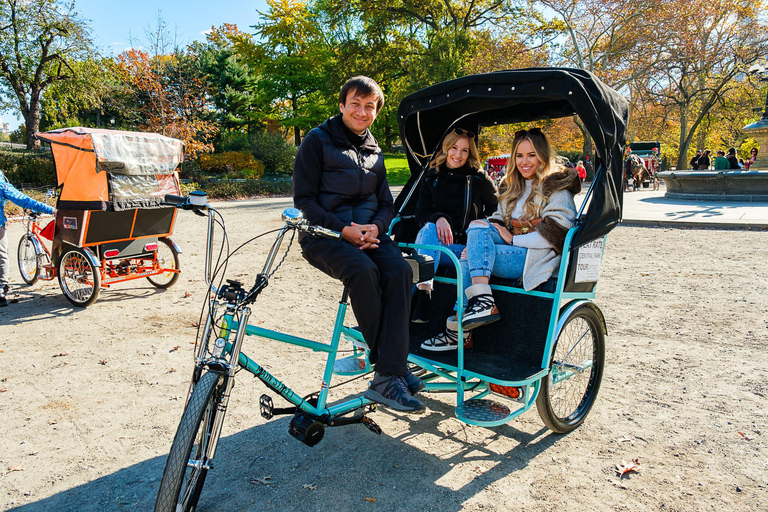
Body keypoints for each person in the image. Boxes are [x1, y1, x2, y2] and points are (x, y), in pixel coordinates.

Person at [292, 76, 424, 413]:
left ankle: (388, 372)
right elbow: (304, 201)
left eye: (369, 107)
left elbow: (386, 204)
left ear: (376, 111)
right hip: (323, 235)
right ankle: (391, 370)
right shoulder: (316, 141)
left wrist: (375, 229)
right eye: (356, 104)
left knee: (398, 270)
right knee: (363, 271)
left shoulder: (375, 151)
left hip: (369, 234)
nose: (362, 112)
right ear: (342, 105)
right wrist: (343, 230)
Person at [422, 128, 580, 351]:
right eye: (519, 155)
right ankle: (474, 312)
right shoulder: (511, 185)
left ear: (543, 156)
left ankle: (462, 328)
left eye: (531, 155)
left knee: (472, 256)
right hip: (509, 250)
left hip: (534, 257)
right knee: (476, 231)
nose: (524, 162)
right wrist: (475, 245)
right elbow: (495, 222)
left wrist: (514, 240)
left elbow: (557, 235)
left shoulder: (557, 188)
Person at [410, 129, 497, 324]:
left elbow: (495, 208)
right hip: (433, 245)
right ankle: (425, 292)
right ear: (446, 148)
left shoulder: (479, 178)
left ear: (470, 153)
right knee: (430, 228)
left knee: (419, 253)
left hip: (461, 249)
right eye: (454, 148)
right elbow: (420, 214)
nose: (458, 155)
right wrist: (439, 217)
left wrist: (478, 225)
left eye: (464, 150)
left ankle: (418, 302)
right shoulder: (431, 176)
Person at [0, 170, 55, 307]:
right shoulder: (2, 185)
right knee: (1, 255)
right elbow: (24, 200)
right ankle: (1, 289)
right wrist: (51, 210)